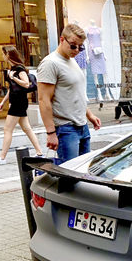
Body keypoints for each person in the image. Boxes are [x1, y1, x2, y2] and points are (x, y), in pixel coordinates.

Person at [38, 24, 101, 164]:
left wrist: (89, 115)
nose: (77, 50)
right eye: (73, 45)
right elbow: (43, 100)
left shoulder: (72, 61)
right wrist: (51, 133)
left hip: (82, 126)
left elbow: (75, 94)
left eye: (80, 47)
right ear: (62, 39)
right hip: (66, 128)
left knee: (83, 171)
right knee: (70, 173)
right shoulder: (50, 63)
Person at [0, 46, 43, 165]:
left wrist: (13, 78)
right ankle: (39, 153)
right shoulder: (12, 68)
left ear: (8, 55)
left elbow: (26, 84)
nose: (2, 56)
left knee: (7, 129)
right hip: (18, 102)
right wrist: (3, 102)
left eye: (3, 54)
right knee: (27, 128)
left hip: (18, 103)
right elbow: (11, 89)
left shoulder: (19, 69)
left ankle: (2, 158)